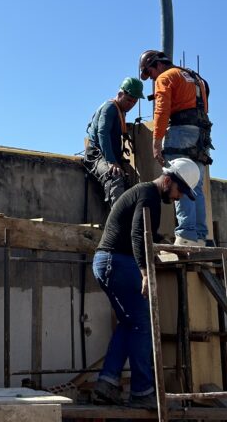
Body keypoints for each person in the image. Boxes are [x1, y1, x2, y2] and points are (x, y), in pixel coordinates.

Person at [91, 158, 201, 406]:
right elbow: (138, 235)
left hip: (107, 262)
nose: (179, 197)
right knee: (143, 323)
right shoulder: (149, 195)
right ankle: (142, 392)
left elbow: (146, 233)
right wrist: (145, 273)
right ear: (168, 180)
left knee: (129, 323)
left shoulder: (145, 194)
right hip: (117, 262)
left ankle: (107, 383)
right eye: (180, 190)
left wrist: (172, 246)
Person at [138, 50, 213, 246]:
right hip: (201, 134)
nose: (152, 78)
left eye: (150, 73)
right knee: (194, 185)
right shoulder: (194, 77)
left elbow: (161, 110)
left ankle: (187, 235)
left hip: (181, 132)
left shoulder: (166, 77)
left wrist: (156, 142)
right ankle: (200, 237)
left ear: (156, 65)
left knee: (179, 182)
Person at [84, 78, 144, 204]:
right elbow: (103, 133)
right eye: (129, 100)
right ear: (120, 94)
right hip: (96, 155)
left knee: (128, 183)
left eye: (134, 102)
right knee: (114, 176)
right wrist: (111, 162)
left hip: (109, 156)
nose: (131, 104)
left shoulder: (120, 111)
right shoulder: (110, 107)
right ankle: (118, 222)